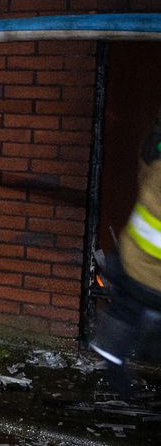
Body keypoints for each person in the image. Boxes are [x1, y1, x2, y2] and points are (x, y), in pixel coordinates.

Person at [90, 105, 161, 391]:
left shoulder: (153, 151)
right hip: (152, 277)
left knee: (128, 305)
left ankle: (113, 346)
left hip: (131, 260)